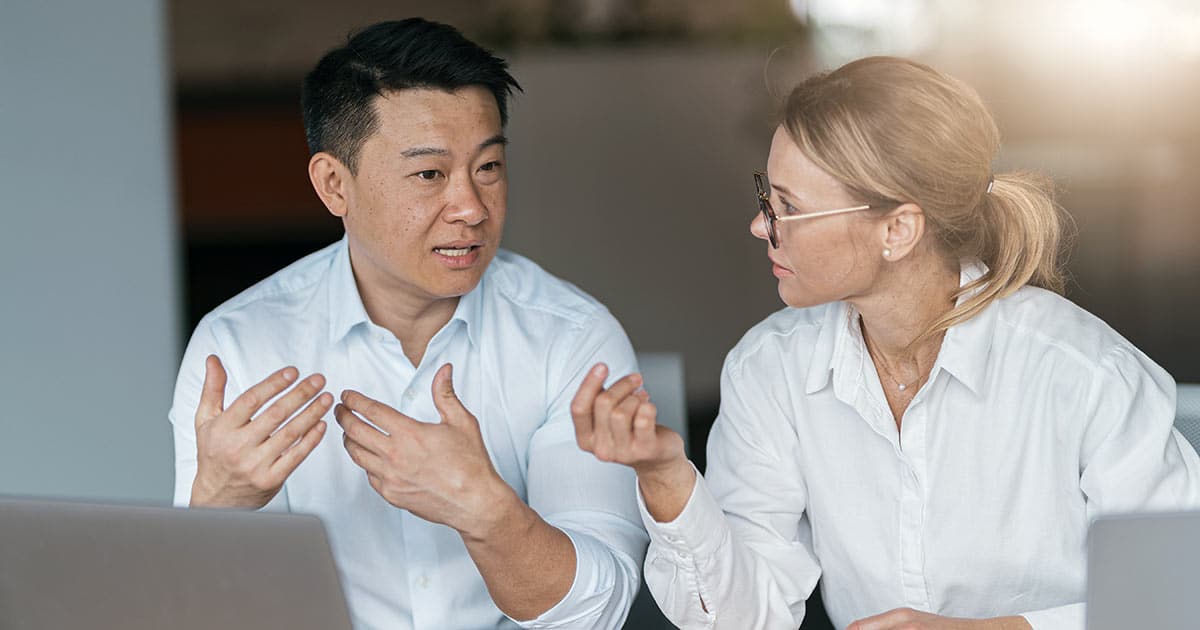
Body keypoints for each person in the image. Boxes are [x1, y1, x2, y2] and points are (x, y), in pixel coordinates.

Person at [570, 56, 1200, 630]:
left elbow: (1178, 595)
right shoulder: (771, 369)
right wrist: (665, 477)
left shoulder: (1085, 374)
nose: (760, 224)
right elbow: (743, 620)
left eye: (787, 206)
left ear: (898, 228)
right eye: (767, 195)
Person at [168, 18, 647, 629]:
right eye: (429, 175)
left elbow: (598, 614)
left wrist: (486, 509)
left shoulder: (572, 338)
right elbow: (197, 613)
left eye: (489, 167)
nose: (471, 207)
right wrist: (221, 505)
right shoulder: (239, 347)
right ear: (334, 185)